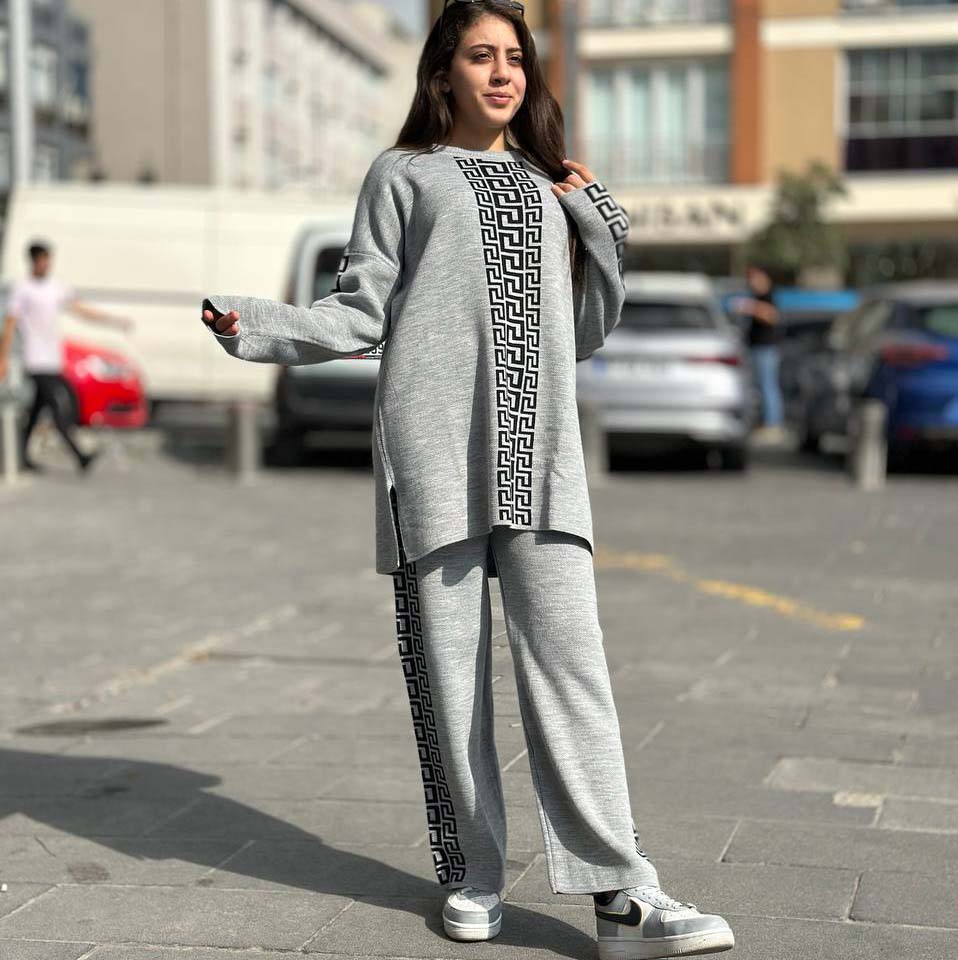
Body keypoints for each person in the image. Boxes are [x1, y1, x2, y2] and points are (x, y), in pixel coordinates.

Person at [201, 2, 734, 957]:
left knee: (574, 671)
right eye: (481, 56)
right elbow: (360, 311)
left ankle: (621, 893)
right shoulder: (402, 174)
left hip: (543, 464)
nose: (502, 73)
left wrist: (597, 218)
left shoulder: (547, 184)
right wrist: (256, 324)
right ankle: (473, 872)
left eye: (515, 58)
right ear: (443, 70)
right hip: (434, 460)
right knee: (450, 682)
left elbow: (584, 330)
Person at [0, 240, 134, 473]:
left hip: (52, 359)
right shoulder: (23, 289)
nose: (46, 264)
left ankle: (22, 457)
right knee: (57, 405)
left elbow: (82, 311)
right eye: (42, 260)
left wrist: (114, 321)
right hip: (36, 361)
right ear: (33, 261)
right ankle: (79, 455)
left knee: (37, 409)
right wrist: (3, 358)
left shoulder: (55, 288)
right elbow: (10, 325)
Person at [735, 262, 785, 440]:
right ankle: (765, 421)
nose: (751, 282)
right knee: (760, 387)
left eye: (753, 277)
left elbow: (772, 315)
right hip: (756, 347)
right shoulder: (756, 295)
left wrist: (751, 307)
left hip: (766, 348)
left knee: (768, 385)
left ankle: (773, 423)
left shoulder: (767, 295)